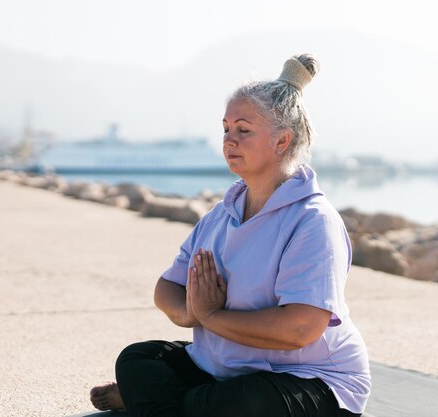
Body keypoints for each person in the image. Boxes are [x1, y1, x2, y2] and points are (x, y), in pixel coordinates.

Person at [90, 53, 371, 417]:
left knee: (234, 402)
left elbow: (300, 329)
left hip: (307, 378)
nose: (229, 140)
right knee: (139, 358)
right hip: (224, 369)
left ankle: (155, 402)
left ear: (282, 141)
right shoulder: (220, 215)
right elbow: (166, 289)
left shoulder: (313, 221)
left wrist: (211, 315)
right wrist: (193, 310)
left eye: (243, 130)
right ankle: (170, 403)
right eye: (225, 129)